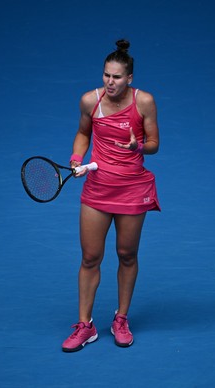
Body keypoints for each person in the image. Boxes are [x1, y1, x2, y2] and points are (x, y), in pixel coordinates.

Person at [61, 39, 161, 352]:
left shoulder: (144, 102)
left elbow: (155, 144)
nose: (110, 81)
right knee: (90, 257)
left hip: (133, 189)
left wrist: (138, 146)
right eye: (106, 75)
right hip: (98, 188)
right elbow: (83, 133)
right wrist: (77, 159)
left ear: (129, 78)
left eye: (117, 77)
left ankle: (121, 318)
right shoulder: (90, 101)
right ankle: (85, 325)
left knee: (126, 255)